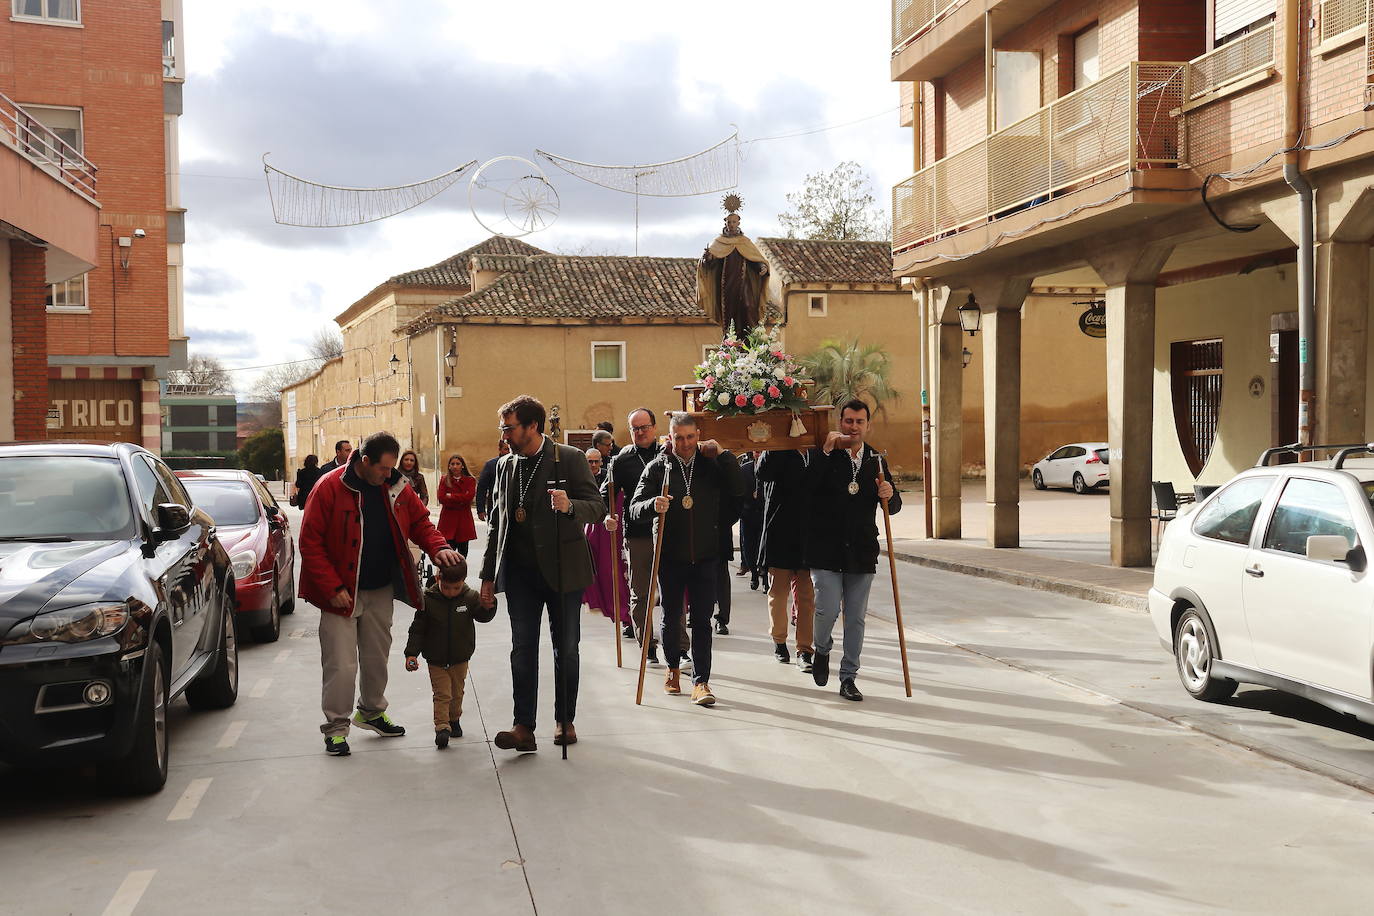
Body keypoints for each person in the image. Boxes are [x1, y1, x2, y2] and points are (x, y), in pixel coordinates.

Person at [299, 431, 461, 756]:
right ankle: (336, 729)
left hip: (380, 588)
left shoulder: (397, 485)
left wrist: (439, 548)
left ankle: (371, 712)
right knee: (341, 665)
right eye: (383, 468)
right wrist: (332, 588)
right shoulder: (329, 487)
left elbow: (421, 522)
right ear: (364, 461)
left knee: (376, 658)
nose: (388, 474)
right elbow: (310, 542)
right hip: (341, 593)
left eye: (391, 468)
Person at [480, 395, 605, 752]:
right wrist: (487, 576)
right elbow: (497, 524)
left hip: (563, 570)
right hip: (521, 575)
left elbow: (597, 508)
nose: (504, 435)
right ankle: (523, 726)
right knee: (522, 649)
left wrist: (569, 506)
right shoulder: (505, 466)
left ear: (532, 426)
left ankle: (565, 719)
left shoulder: (569, 458)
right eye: (503, 428)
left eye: (509, 428)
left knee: (565, 649)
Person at [630, 413, 742, 707]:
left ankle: (701, 681)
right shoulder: (658, 467)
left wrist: (723, 454)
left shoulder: (711, 464)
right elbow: (634, 508)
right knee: (671, 616)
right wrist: (652, 505)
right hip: (670, 555)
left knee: (702, 620)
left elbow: (738, 488)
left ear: (698, 435)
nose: (685, 443)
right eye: (679, 437)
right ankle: (672, 668)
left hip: (706, 556)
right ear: (670, 437)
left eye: (690, 437)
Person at [804, 400, 901, 702]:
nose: (853, 427)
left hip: (861, 551)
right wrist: (824, 452)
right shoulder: (824, 454)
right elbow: (806, 490)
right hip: (826, 549)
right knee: (826, 610)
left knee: (856, 618)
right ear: (840, 422)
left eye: (859, 421)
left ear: (867, 425)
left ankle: (848, 677)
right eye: (848, 421)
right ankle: (821, 650)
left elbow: (893, 506)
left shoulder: (876, 459)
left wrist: (890, 494)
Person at [404, 558, 496, 749]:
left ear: (463, 581)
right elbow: (417, 629)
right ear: (438, 578)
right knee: (442, 694)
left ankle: (454, 720)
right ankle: (442, 727)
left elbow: (482, 616)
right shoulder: (428, 600)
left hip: (460, 658)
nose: (451, 592)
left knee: (457, 693)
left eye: (456, 587)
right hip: (436, 659)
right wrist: (411, 653)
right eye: (446, 587)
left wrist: (488, 607)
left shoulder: (470, 597)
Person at [758, 448, 816, 671]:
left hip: (809, 534)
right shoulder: (777, 450)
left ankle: (804, 649)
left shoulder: (816, 451)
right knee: (778, 594)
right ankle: (779, 641)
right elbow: (762, 472)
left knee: (806, 598)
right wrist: (774, 445)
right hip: (780, 532)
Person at [584, 447, 630, 631]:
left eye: (597, 461)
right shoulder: (582, 478)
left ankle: (631, 618)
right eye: (590, 461)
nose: (594, 465)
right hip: (597, 528)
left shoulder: (611, 478)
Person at [711, 454, 742, 636]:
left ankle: (722, 618)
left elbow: (737, 500)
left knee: (721, 576)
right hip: (698, 530)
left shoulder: (724, 464)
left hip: (720, 529)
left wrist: (724, 522)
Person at [437, 454, 477, 555]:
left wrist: (451, 496)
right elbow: (441, 498)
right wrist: (461, 498)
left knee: (463, 553)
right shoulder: (444, 480)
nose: (455, 466)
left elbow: (469, 498)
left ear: (462, 466)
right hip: (448, 520)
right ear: (449, 466)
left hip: (463, 520)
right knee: (448, 553)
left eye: (458, 464)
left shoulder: (470, 480)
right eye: (452, 464)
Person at [738, 451, 765, 590]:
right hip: (748, 514)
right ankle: (754, 572)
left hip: (764, 513)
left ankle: (765, 578)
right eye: (756, 451)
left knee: (763, 547)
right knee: (748, 547)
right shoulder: (745, 469)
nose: (758, 454)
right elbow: (739, 492)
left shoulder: (769, 466)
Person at [475, 439, 509, 523]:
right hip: (495, 507)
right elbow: (482, 488)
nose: (509, 452)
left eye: (510, 449)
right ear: (500, 450)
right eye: (506, 449)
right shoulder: (491, 465)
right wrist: (481, 509)